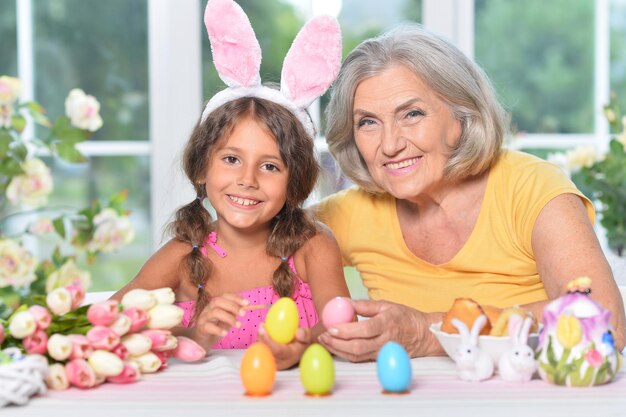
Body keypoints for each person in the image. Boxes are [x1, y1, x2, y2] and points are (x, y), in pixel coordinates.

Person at [314, 24, 626, 362]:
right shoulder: (348, 213)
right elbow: (255, 242)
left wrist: (428, 331)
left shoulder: (533, 188)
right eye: (368, 122)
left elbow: (604, 321)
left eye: (412, 114)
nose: (390, 145)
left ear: (462, 115)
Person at [112, 0, 347, 370]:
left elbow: (341, 324)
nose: (247, 180)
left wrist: (302, 347)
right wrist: (194, 337)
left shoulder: (313, 248)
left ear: (295, 184)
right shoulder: (181, 256)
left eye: (270, 166)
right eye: (231, 159)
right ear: (202, 168)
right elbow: (111, 323)